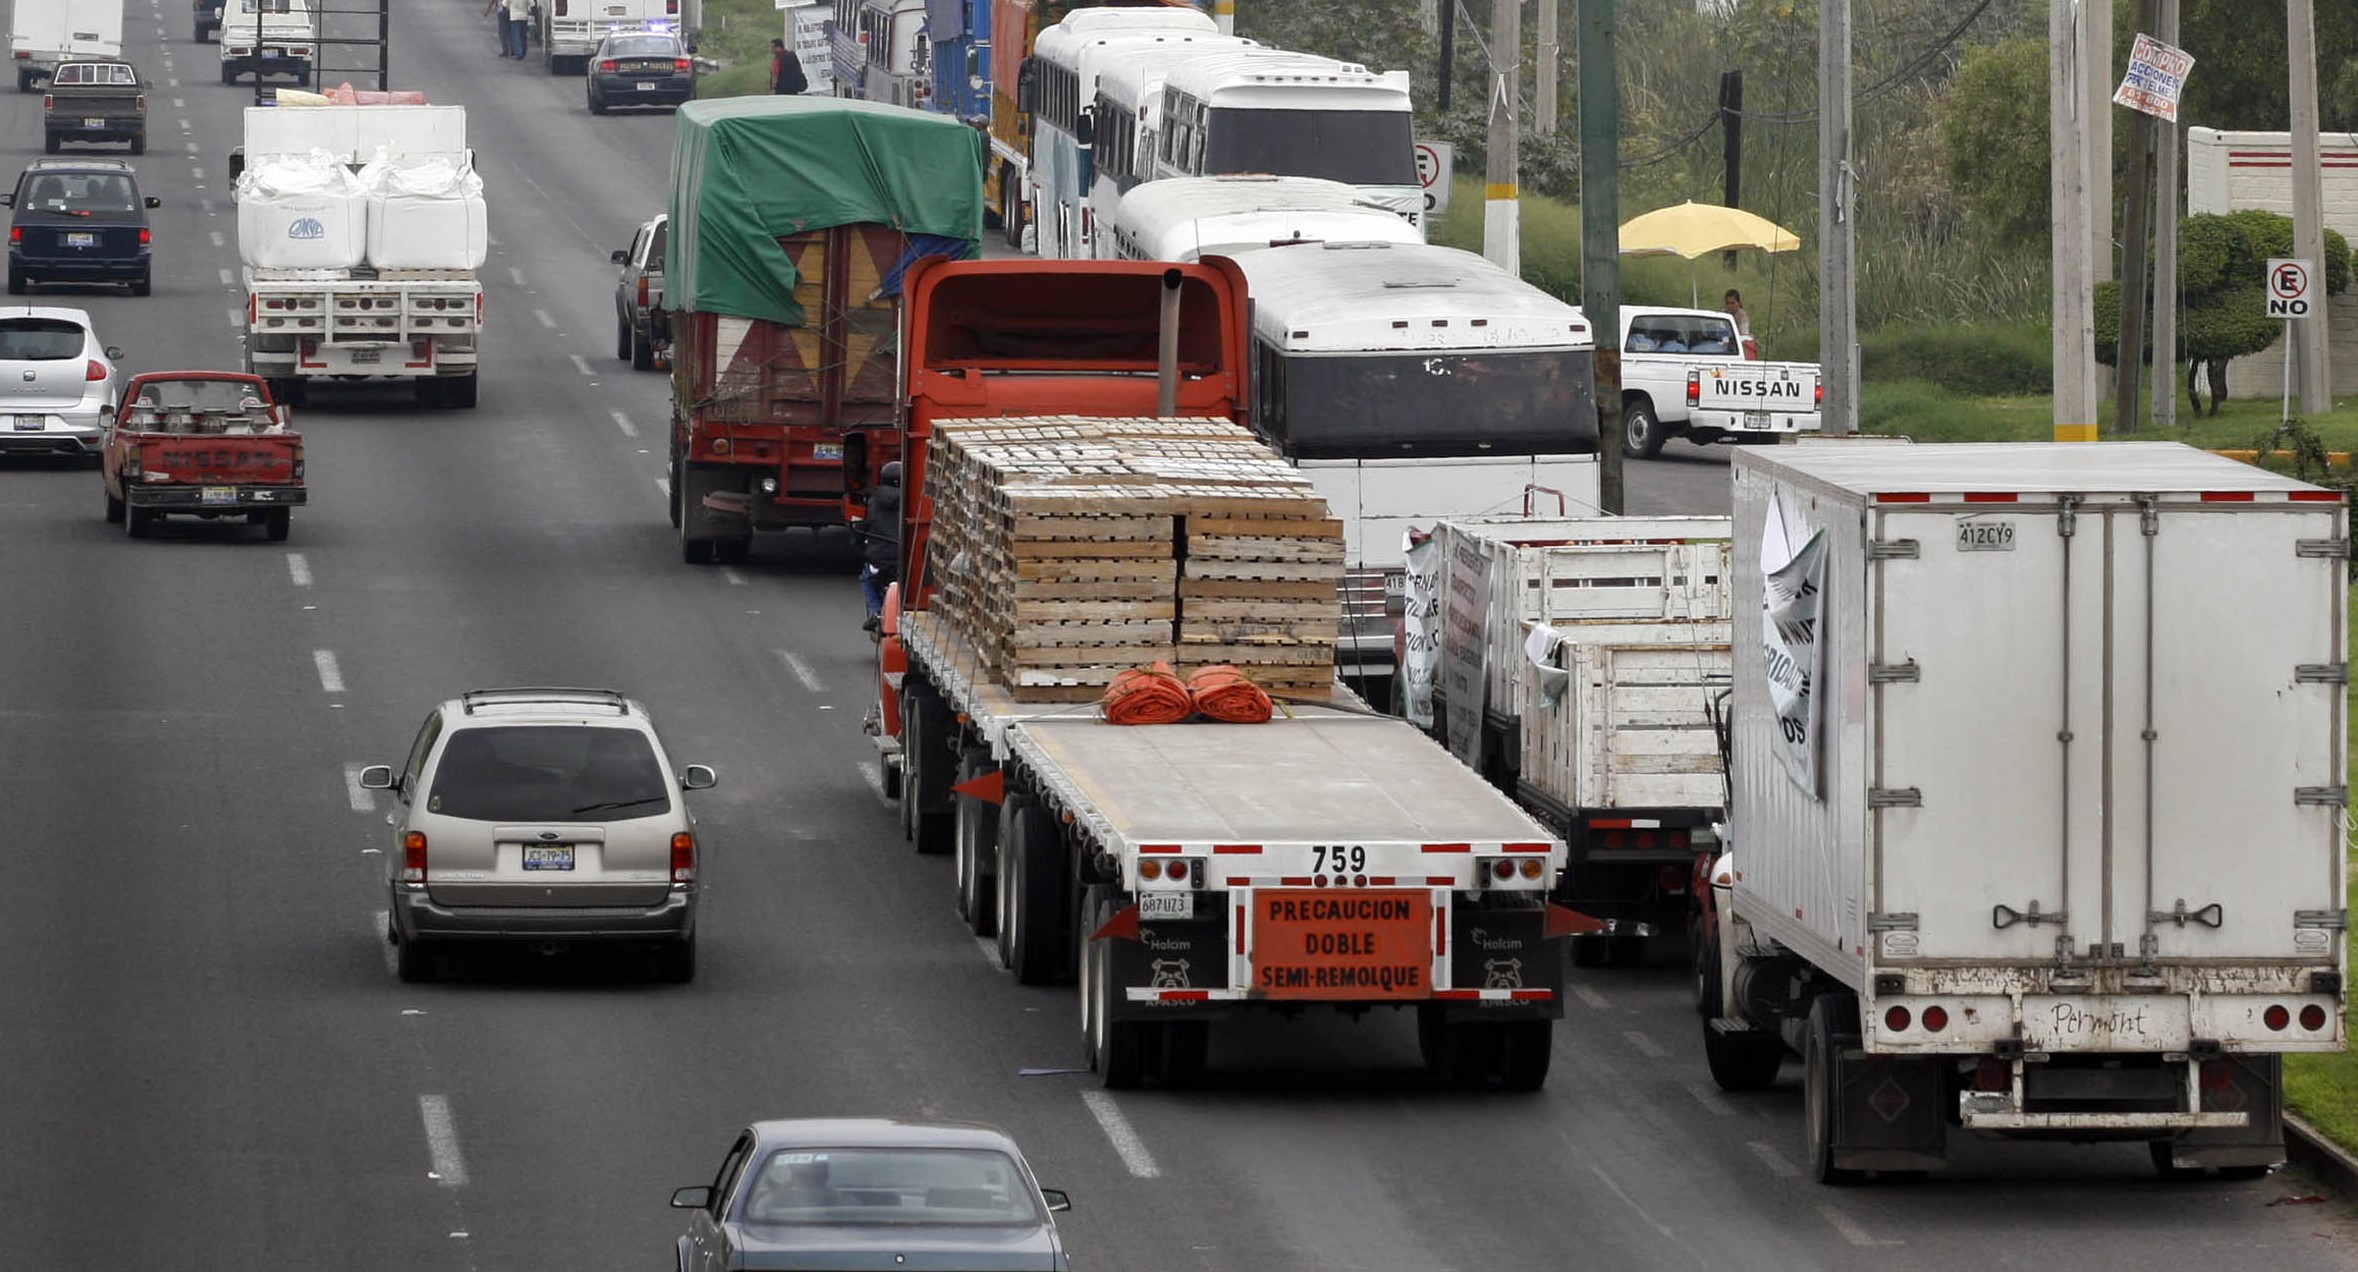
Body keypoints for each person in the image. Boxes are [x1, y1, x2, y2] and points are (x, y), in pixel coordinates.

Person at [857, 461, 901, 632]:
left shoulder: (873, 502)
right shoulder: (912, 501)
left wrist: (857, 541)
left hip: (879, 558)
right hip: (904, 557)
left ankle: (876, 612)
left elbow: (862, 526)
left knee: (866, 578)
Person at [1724, 288, 1759, 359]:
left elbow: (1744, 334)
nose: (1730, 306)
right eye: (1728, 303)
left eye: (1732, 303)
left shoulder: (1742, 317)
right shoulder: (1724, 315)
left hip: (1739, 347)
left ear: (1738, 303)